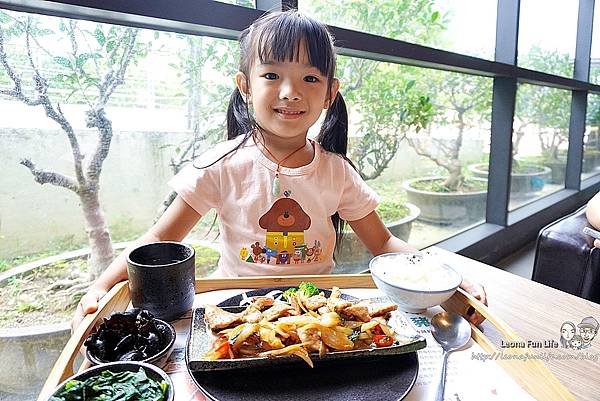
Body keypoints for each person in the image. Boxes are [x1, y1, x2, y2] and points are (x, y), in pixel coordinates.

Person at [71, 10, 486, 330]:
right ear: (246, 85)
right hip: (237, 310)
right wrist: (101, 287)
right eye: (272, 74)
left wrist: (448, 278)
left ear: (329, 93)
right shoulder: (220, 166)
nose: (291, 92)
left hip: (319, 308)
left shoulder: (337, 172)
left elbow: (384, 244)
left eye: (310, 77)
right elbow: (159, 238)